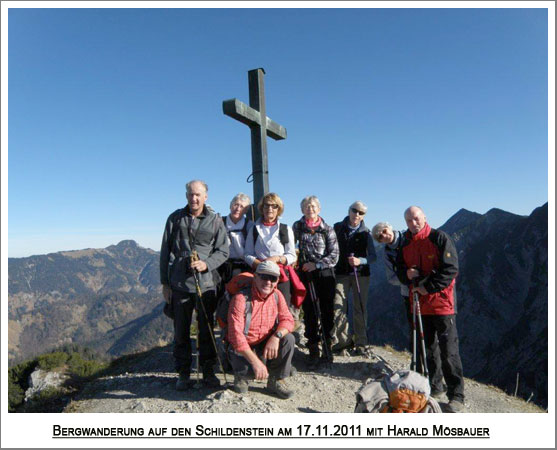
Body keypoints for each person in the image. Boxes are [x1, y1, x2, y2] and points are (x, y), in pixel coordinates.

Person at [160, 180, 229, 391]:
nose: (194, 198)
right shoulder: (175, 218)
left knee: (206, 330)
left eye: (198, 194)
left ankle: (208, 372)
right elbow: (165, 251)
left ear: (206, 196)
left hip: (206, 283)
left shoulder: (215, 220)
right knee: (180, 331)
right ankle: (183, 373)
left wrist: (206, 264)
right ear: (186, 195)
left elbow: (223, 251)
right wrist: (165, 283)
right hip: (180, 283)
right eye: (190, 194)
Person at [395, 206, 465, 413]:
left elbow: (451, 269)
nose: (413, 223)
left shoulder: (439, 238)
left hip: (442, 304)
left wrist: (426, 287)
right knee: (426, 349)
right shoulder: (405, 243)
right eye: (409, 220)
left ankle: (456, 395)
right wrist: (406, 274)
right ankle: (434, 387)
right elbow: (399, 269)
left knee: (448, 350)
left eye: (416, 218)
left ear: (424, 217)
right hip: (418, 304)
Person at [227, 260, 296, 399]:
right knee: (249, 375)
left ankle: (275, 380)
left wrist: (276, 337)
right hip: (244, 347)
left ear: (277, 281)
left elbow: (288, 320)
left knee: (288, 339)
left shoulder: (277, 295)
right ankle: (242, 375)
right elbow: (236, 336)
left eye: (273, 278)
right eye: (264, 277)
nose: (268, 282)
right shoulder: (241, 299)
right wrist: (256, 363)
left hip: (264, 342)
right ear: (256, 277)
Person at [293, 195, 339, 368]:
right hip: (305, 273)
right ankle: (313, 348)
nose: (309, 209)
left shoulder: (327, 229)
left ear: (318, 209)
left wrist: (317, 264)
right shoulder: (297, 226)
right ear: (302, 209)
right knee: (310, 311)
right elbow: (292, 245)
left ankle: (328, 347)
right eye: (306, 206)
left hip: (325, 274)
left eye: (313, 206)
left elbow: (334, 255)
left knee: (327, 311)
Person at [331, 201, 377, 356]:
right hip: (341, 272)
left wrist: (360, 261)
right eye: (354, 210)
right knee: (338, 306)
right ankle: (343, 341)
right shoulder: (337, 228)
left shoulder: (366, 233)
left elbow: (373, 256)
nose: (357, 214)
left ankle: (361, 342)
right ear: (349, 210)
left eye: (361, 212)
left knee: (360, 308)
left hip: (361, 274)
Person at [244, 192, 297, 310]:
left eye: (274, 206)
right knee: (260, 307)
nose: (270, 209)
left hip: (280, 274)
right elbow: (247, 254)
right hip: (260, 274)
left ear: (279, 209)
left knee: (282, 308)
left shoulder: (285, 229)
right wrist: (260, 264)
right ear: (262, 208)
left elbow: (292, 255)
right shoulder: (254, 229)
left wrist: (277, 259)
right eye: (266, 205)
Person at [219, 193, 254, 284]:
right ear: (230, 206)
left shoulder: (250, 226)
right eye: (236, 205)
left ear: (246, 210)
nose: (238, 209)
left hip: (242, 267)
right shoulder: (219, 222)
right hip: (221, 267)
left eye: (242, 206)